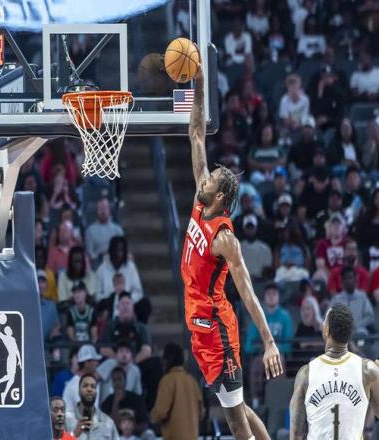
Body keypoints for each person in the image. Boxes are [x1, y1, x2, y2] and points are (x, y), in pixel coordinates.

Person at [182, 64, 282, 440]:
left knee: (235, 420)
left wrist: (269, 342)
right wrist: (199, 82)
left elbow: (248, 292)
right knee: (236, 405)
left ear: (220, 195)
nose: (204, 177)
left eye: (211, 178)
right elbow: (196, 133)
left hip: (217, 328)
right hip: (200, 321)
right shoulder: (200, 198)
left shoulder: (225, 238)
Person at [289, 303, 379, 439]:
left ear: (326, 330)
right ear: (350, 334)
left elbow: (296, 433)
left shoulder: (306, 374)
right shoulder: (368, 370)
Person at [150, 343, 203, 440]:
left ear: (166, 360)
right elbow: (201, 413)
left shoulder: (167, 381)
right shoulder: (192, 381)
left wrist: (152, 417)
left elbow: (161, 412)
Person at [65, 373, 119, 439]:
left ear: (96, 392)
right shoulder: (66, 420)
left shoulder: (108, 422)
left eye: (93, 387)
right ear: (79, 391)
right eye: (85, 386)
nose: (89, 389)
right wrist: (74, 434)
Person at [101, 367, 148, 435]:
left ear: (125, 381)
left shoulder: (136, 399)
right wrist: (116, 402)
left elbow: (144, 424)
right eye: (114, 380)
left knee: (149, 434)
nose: (117, 383)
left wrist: (129, 429)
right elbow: (109, 426)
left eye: (120, 380)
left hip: (135, 435)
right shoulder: (107, 402)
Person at [329, 267, 374, 336]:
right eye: (345, 278)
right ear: (342, 281)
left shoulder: (362, 297)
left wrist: (356, 325)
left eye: (350, 278)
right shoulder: (336, 299)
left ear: (355, 280)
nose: (348, 281)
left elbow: (369, 316)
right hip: (341, 334)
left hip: (358, 332)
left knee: (362, 333)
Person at [85, 198, 124, 267]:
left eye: (104, 208)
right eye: (100, 209)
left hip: (116, 263)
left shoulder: (118, 230)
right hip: (98, 264)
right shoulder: (90, 231)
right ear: (97, 211)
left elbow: (122, 250)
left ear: (109, 210)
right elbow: (89, 255)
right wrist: (100, 255)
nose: (103, 211)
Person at [63, 344, 102, 412]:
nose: (97, 363)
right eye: (94, 360)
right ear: (86, 363)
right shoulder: (75, 384)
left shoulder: (93, 381)